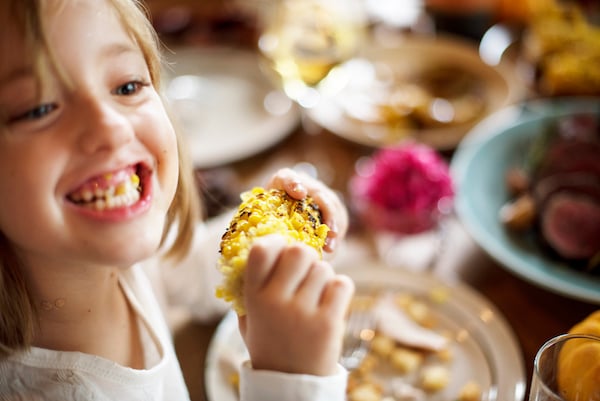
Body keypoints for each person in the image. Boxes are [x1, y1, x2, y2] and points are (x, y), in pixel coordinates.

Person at [0, 0, 355, 400]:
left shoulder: (117, 258)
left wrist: (265, 245)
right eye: (39, 109)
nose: (111, 127)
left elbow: (186, 266)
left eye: (127, 86)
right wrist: (291, 381)